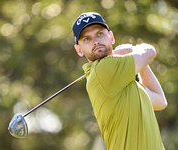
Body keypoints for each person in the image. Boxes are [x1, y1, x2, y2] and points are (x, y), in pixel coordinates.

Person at [72, 12, 167, 150]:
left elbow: (160, 100)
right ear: (79, 50)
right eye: (87, 38)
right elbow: (150, 52)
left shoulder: (123, 81)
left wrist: (137, 63)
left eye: (99, 34)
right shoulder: (102, 69)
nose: (96, 41)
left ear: (111, 37)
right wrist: (132, 50)